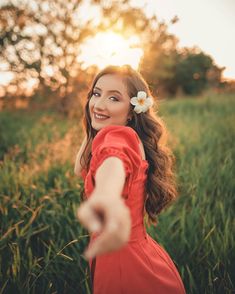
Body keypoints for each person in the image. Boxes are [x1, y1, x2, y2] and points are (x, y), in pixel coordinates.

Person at [75, 65, 186, 293]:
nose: (99, 104)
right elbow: (81, 169)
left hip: (123, 265)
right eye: (96, 94)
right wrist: (92, 128)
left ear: (132, 111)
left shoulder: (116, 139)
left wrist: (106, 196)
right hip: (141, 254)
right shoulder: (129, 137)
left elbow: (114, 164)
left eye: (114, 98)